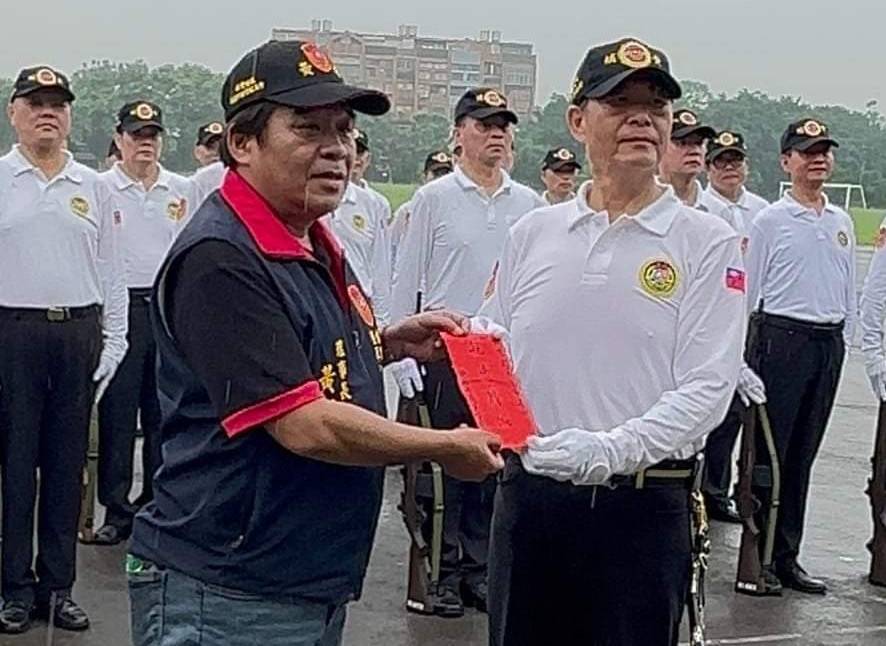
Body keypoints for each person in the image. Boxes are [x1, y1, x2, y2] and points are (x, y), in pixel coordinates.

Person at [126, 40, 503, 646]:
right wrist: (441, 445)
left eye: (344, 129)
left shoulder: (309, 237)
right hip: (229, 591)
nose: (337, 149)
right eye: (308, 128)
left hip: (298, 578)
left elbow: (294, 355)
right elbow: (304, 425)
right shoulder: (222, 257)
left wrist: (386, 343)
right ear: (242, 143)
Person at [474, 38, 745, 645]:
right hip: (532, 502)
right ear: (578, 121)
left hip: (642, 508)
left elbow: (707, 387)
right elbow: (495, 347)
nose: (641, 119)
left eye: (655, 107)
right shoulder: (533, 232)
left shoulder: (706, 241)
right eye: (620, 104)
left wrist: (610, 450)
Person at [392, 87, 545, 617]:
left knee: (491, 467)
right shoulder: (434, 198)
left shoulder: (529, 205)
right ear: (458, 134)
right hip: (444, 349)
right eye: (483, 124)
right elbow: (407, 276)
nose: (496, 134)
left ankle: (478, 569)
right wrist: (402, 356)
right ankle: (440, 569)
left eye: (503, 125)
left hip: (499, 354)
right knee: (441, 472)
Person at [0, 65, 128, 634]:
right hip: (13, 332)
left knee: (65, 467)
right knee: (15, 467)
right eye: (35, 103)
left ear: (70, 116)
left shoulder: (93, 186)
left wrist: (115, 340)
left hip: (76, 332)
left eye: (57, 104)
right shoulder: (2, 179)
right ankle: (13, 586)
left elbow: (113, 271)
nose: (47, 113)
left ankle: (58, 587)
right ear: (14, 113)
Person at [744, 118, 854, 595]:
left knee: (803, 454)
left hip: (826, 342)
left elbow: (846, 288)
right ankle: (760, 557)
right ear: (786, 161)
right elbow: (749, 290)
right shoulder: (770, 221)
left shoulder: (840, 221)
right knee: (772, 454)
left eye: (824, 151)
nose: (818, 160)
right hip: (781, 338)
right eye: (808, 152)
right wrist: (743, 358)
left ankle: (788, 555)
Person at [88, 101, 194, 547]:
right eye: (136, 136)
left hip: (165, 306)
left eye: (152, 136)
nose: (145, 144)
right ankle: (116, 509)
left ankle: (156, 502)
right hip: (121, 306)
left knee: (162, 412)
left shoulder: (180, 189)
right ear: (119, 139)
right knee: (118, 412)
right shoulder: (101, 187)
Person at [699, 129, 770, 522]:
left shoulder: (761, 211)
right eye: (721, 162)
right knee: (708, 407)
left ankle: (720, 490)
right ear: (709, 168)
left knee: (737, 414)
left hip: (751, 318)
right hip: (709, 315)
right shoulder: (700, 208)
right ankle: (703, 488)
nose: (730, 169)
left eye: (735, 161)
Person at [325, 172, 392, 326]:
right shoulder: (302, 199)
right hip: (321, 300)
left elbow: (380, 263)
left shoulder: (370, 203)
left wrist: (382, 319)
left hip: (359, 303)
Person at [659, 108, 714, 209]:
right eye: (683, 143)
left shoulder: (718, 210)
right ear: (659, 147)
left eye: (699, 143)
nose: (695, 151)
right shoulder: (639, 205)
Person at [351, 127, 392, 225]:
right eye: (351, 151)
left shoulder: (378, 204)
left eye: (359, 152)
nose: (355, 158)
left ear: (368, 159)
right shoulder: (323, 197)